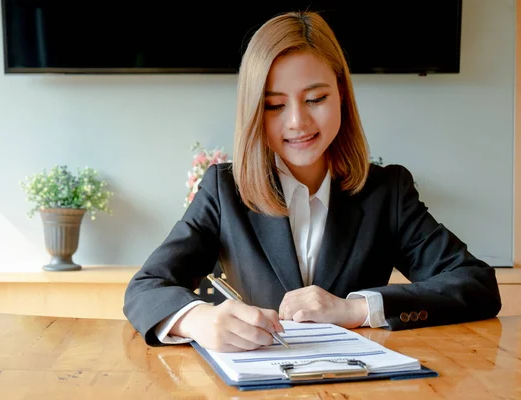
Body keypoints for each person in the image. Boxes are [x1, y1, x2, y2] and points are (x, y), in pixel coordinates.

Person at [123, 10, 502, 353]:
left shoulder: (387, 191)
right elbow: (145, 288)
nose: (297, 123)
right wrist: (198, 319)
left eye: (316, 98)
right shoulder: (225, 190)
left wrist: (355, 308)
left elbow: (477, 284)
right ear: (255, 111)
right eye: (274, 105)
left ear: (341, 95)